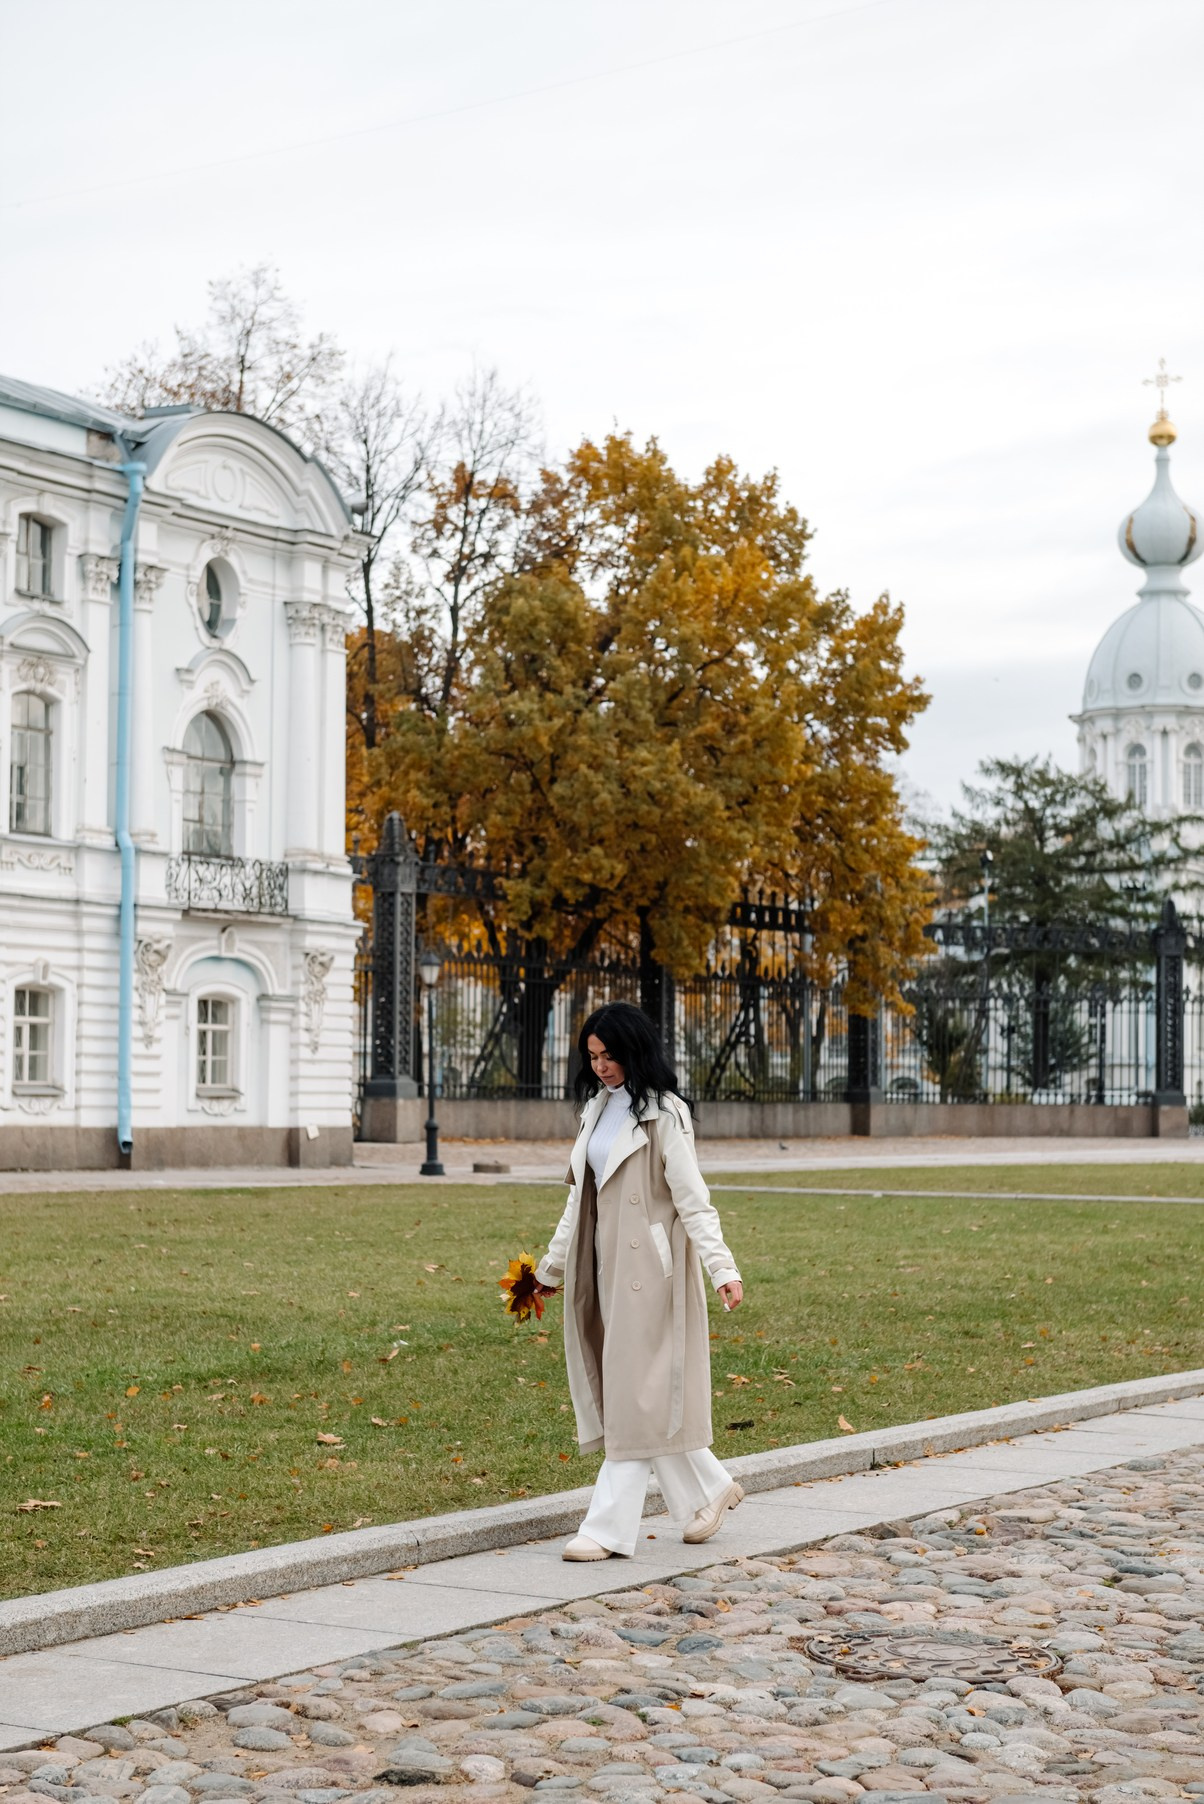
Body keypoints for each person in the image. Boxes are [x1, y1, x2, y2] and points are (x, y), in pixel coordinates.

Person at [534, 1001, 745, 1561]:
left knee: (633, 1396)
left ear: (635, 1050)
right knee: (643, 1397)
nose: (601, 1066)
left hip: (654, 1275)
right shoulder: (595, 1111)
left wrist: (721, 1266)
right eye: (593, 1056)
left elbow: (693, 1200)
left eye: (610, 1055)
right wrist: (548, 1272)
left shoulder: (665, 1113)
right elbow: (578, 1201)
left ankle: (605, 1530)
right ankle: (711, 1489)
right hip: (603, 1268)